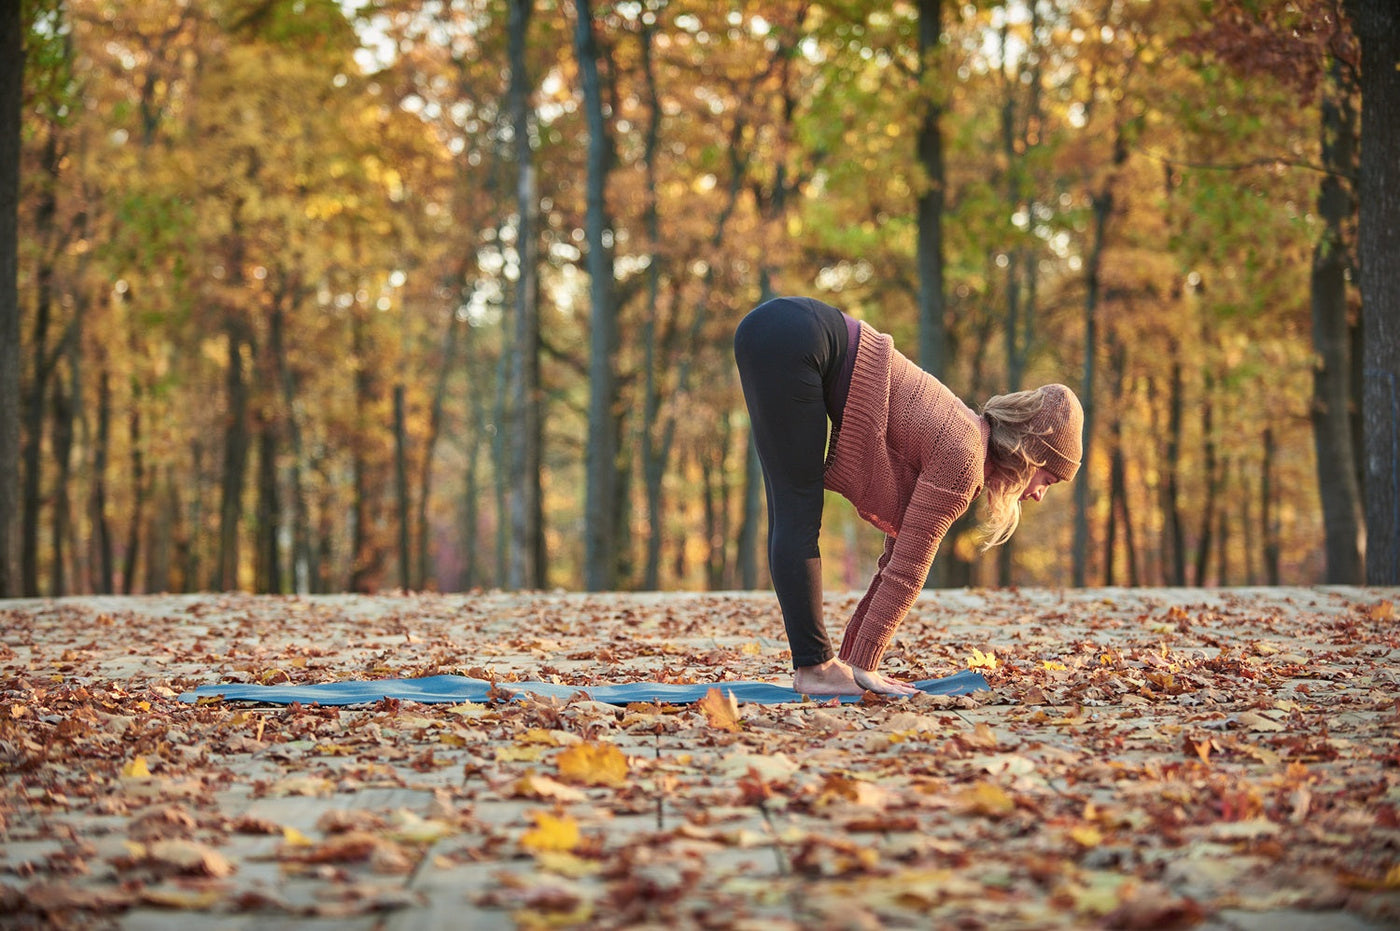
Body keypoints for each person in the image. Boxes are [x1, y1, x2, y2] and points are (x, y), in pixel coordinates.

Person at [733, 296, 1083, 697]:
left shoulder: (965, 435)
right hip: (798, 340)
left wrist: (856, 661)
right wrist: (865, 666)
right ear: (1029, 455)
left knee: (789, 509)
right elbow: (906, 570)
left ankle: (820, 666)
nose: (1039, 495)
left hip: (780, 328)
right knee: (796, 512)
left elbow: (892, 561)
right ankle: (814, 668)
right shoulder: (964, 461)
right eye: (1048, 480)